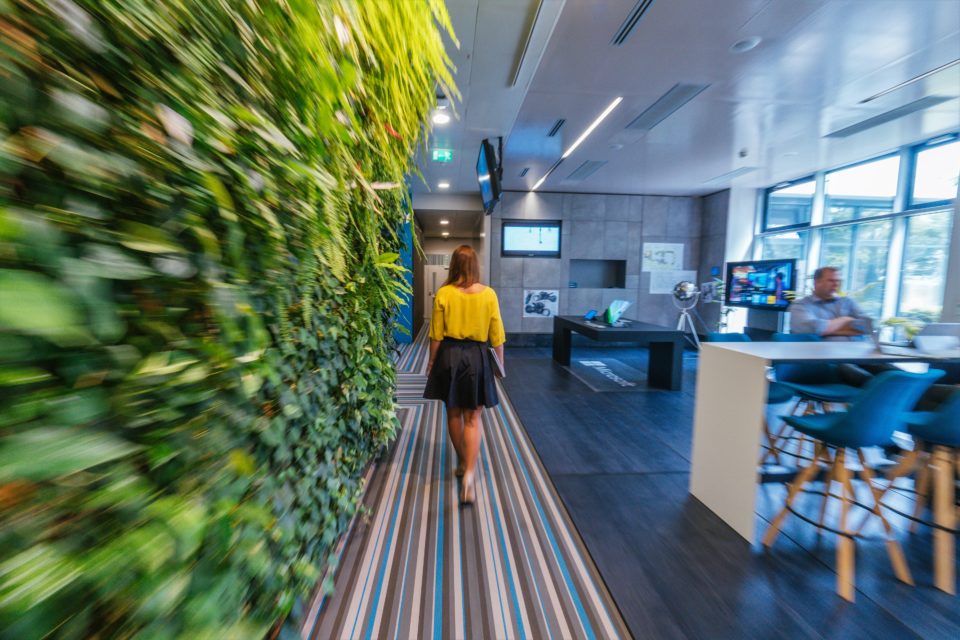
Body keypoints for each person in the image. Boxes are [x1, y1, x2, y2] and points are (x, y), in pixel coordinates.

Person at [423, 245, 505, 505]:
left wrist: (431, 362)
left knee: (454, 412)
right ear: (475, 266)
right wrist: (500, 365)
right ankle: (469, 473)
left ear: (454, 265)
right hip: (478, 357)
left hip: (449, 356)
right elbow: (497, 335)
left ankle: (462, 460)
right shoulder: (489, 294)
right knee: (474, 417)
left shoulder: (444, 293)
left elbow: (436, 334)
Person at [788, 266, 871, 340]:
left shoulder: (847, 302)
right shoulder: (800, 305)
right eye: (831, 281)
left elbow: (868, 325)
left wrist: (828, 331)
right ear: (817, 283)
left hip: (856, 354)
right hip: (819, 355)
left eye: (837, 281)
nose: (836, 285)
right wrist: (845, 320)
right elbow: (810, 329)